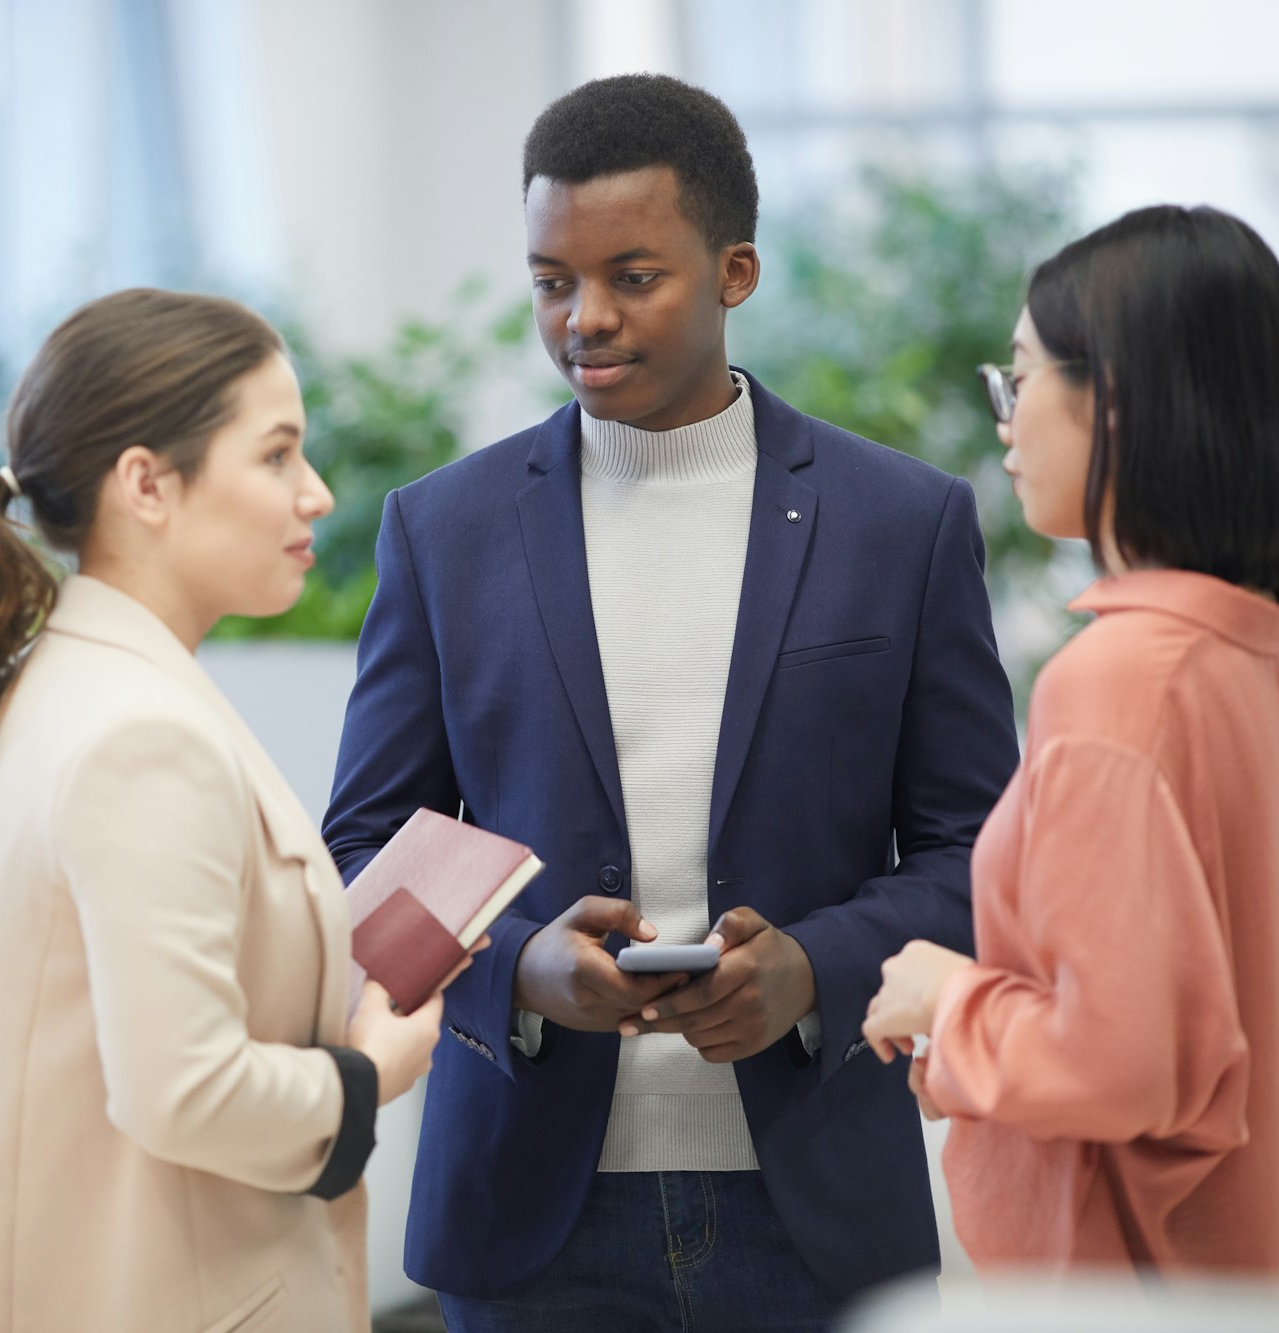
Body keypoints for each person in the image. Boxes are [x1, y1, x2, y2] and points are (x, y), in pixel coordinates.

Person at [321, 75, 1019, 1330]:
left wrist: (813, 968)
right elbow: (363, 850)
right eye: (550, 281)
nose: (583, 318)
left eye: (631, 276)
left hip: (809, 1204)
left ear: (733, 271)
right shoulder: (446, 530)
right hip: (529, 1213)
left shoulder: (900, 525)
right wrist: (520, 965)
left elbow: (982, 856)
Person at [0, 288, 459, 1333]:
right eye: (274, 455)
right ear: (146, 483)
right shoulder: (140, 731)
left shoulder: (65, 684)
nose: (314, 494)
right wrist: (370, 1072)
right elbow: (182, 1087)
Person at [862, 204, 1279, 1282]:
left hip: (1135, 1290)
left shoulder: (1114, 684)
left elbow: (1121, 1065)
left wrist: (951, 1000)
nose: (1004, 419)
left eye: (1019, 379)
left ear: (1112, 401)